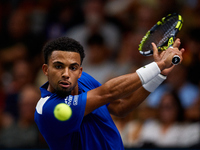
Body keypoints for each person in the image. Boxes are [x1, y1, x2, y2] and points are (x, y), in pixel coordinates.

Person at [34, 36, 184, 150]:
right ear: (46, 70)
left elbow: (121, 107)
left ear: (80, 72)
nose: (66, 73)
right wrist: (158, 65)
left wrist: (158, 75)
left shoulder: (84, 80)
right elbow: (109, 92)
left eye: (73, 67)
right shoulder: (48, 109)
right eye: (59, 66)